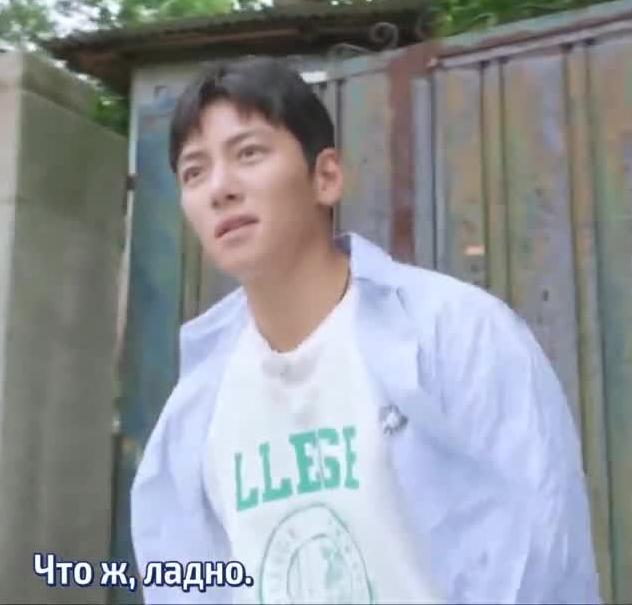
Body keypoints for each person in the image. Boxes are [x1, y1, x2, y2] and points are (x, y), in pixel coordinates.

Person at [129, 57, 600, 605]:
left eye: (249, 153)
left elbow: (542, 559)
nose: (219, 188)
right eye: (194, 172)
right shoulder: (195, 407)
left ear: (326, 177)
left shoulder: (459, 335)